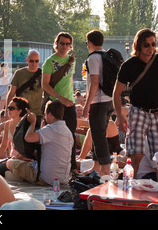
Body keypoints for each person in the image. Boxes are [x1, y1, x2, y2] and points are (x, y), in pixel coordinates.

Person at [113, 28, 158, 178]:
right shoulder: (128, 65)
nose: (151, 48)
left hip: (156, 113)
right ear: (138, 46)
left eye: (153, 44)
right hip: (138, 111)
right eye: (147, 45)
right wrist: (119, 117)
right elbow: (116, 93)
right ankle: (130, 187)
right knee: (135, 155)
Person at [6, 100, 74, 186]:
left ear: (49, 114)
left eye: (45, 114)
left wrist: (32, 122)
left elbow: (28, 138)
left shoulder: (51, 129)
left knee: (10, 162)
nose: (45, 117)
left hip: (46, 179)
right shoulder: (68, 131)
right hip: (63, 179)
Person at [42, 32, 77, 173]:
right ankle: (52, 166)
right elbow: (45, 85)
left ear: (70, 46)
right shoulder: (49, 62)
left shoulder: (71, 60)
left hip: (70, 103)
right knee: (53, 135)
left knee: (71, 135)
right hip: (55, 103)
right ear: (56, 44)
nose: (64, 46)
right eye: (62, 43)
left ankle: (72, 167)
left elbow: (70, 80)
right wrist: (59, 98)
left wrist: (72, 97)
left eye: (67, 44)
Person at [82, 30, 114, 176]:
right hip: (109, 100)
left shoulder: (93, 58)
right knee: (97, 134)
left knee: (99, 136)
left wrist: (87, 104)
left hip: (99, 102)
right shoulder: (107, 56)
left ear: (89, 42)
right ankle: (96, 166)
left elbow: (94, 82)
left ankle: (105, 169)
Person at [6, 49, 43, 127]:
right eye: (31, 61)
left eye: (36, 61)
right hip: (20, 113)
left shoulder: (43, 74)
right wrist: (7, 111)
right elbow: (11, 93)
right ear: (27, 60)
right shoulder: (19, 73)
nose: (34, 64)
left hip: (37, 113)